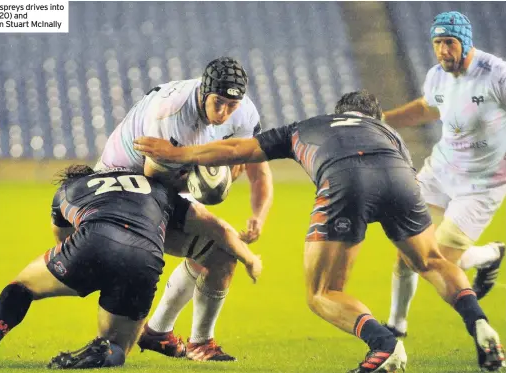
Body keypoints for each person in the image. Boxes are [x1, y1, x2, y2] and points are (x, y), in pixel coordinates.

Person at [133, 90, 506, 372]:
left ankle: (384, 344)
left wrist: (179, 155)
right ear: (375, 118)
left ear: (338, 113)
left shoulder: (307, 126)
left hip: (345, 179)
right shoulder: (388, 134)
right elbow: (393, 180)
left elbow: (236, 148)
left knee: (324, 292)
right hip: (399, 174)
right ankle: (481, 325)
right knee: (431, 260)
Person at [0, 165, 262, 369]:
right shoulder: (159, 190)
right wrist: (249, 258)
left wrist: (82, 270)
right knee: (118, 346)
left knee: (21, 286)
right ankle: (103, 352)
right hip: (145, 259)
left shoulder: (68, 190)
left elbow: (63, 238)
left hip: (92, 243)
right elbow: (214, 226)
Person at [96, 56, 273, 361]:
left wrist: (258, 215)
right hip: (120, 189)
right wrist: (206, 175)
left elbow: (258, 167)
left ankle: (171, 336)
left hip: (163, 182)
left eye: (231, 106)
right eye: (218, 103)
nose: (224, 113)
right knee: (216, 244)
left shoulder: (243, 111)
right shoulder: (172, 116)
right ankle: (134, 335)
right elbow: (154, 190)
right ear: (204, 92)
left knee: (218, 255)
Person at [380, 11, 506, 338]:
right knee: (408, 248)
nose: (442, 51)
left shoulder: (496, 74)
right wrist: (381, 119)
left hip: (481, 185)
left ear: (465, 42)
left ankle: (489, 254)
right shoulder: (437, 75)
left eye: (449, 42)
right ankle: (397, 323)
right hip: (439, 172)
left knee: (441, 262)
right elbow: (426, 109)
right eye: (437, 43)